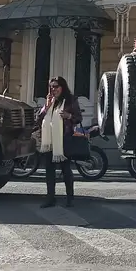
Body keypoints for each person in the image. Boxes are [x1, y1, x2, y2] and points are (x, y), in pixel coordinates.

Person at [34, 76, 83, 208]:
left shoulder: (70, 101)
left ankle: (70, 198)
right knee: (49, 170)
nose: (53, 89)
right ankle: (50, 198)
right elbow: (38, 118)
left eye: (56, 86)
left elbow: (78, 118)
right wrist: (46, 106)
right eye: (51, 87)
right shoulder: (50, 101)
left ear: (62, 87)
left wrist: (69, 116)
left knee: (66, 169)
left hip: (64, 139)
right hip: (48, 141)